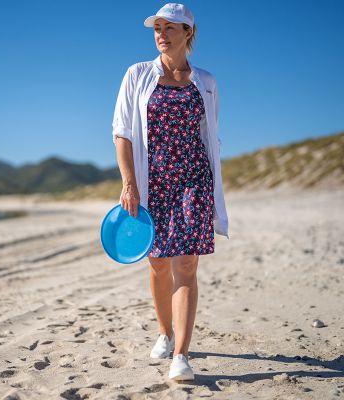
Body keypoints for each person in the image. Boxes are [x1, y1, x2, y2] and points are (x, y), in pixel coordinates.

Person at [112, 3, 229, 381]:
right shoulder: (137, 75)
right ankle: (164, 331)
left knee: (187, 263)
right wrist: (129, 183)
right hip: (153, 179)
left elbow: (210, 135)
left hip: (194, 179)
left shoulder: (206, 81)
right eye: (157, 28)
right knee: (159, 262)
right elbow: (123, 132)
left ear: (187, 33)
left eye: (170, 28)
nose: (161, 34)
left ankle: (181, 355)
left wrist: (212, 183)